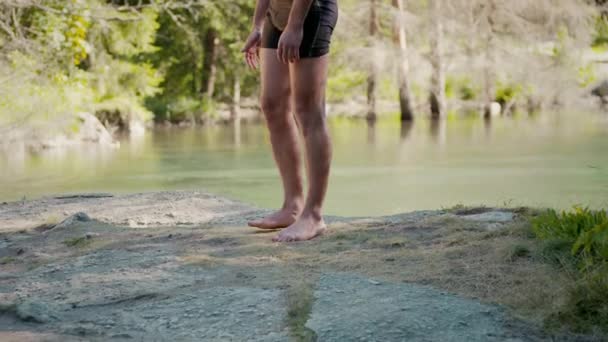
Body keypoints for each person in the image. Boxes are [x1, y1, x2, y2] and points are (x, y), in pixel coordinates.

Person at [241, 0, 338, 242]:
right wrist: (258, 24)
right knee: (272, 105)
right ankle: (292, 206)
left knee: (308, 110)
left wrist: (295, 26)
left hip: (309, 11)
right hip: (276, 14)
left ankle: (313, 215)